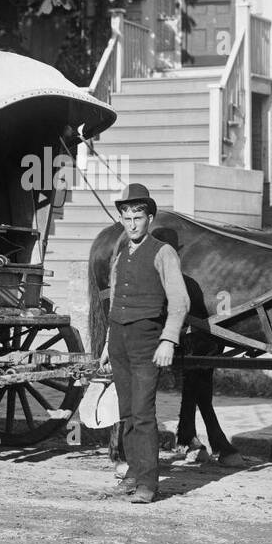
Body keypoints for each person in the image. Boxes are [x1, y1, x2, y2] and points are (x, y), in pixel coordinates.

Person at [99, 184, 188, 503]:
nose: (132, 224)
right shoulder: (120, 254)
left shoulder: (163, 252)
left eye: (138, 217)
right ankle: (134, 473)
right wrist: (108, 345)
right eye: (126, 217)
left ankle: (149, 483)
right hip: (119, 339)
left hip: (148, 340)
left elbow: (180, 301)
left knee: (143, 411)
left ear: (149, 218)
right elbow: (113, 303)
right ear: (120, 219)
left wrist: (168, 339)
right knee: (126, 412)